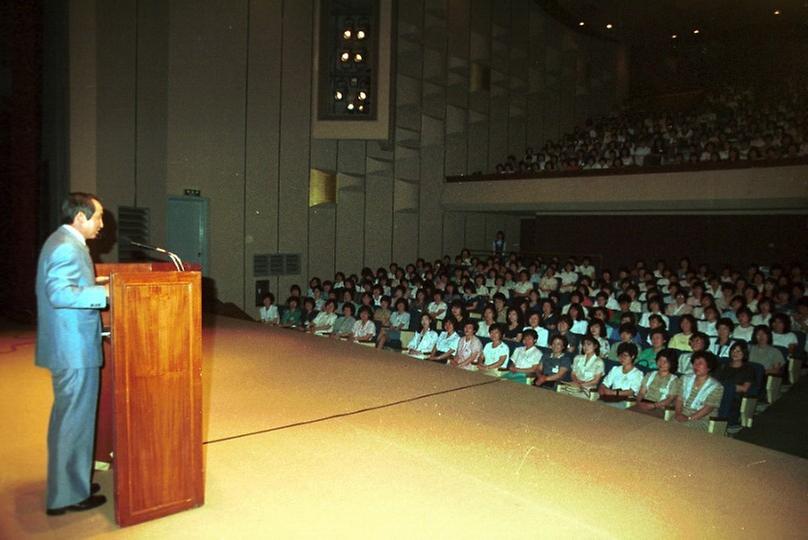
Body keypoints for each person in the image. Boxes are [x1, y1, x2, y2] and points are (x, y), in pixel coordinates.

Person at [35, 192, 108, 515]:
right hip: (73, 350)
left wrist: (98, 282)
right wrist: (104, 293)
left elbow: (70, 284)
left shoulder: (63, 241)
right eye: (98, 217)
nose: (102, 225)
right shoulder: (66, 246)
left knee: (71, 420)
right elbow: (60, 293)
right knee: (73, 422)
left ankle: (72, 482)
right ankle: (67, 495)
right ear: (80, 218)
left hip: (71, 346)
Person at [673, 351, 724, 431]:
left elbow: (708, 408)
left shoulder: (716, 386)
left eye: (700, 363)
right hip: (682, 414)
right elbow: (679, 399)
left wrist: (689, 418)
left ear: (709, 367)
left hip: (702, 419)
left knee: (680, 426)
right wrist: (678, 414)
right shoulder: (685, 379)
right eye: (694, 363)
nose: (696, 366)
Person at [634, 350, 678, 416]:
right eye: (660, 360)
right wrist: (639, 402)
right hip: (644, 403)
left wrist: (654, 405)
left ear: (671, 364)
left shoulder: (674, 380)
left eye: (665, 362)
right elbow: (641, 392)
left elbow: (669, 399)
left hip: (659, 407)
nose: (661, 364)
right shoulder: (650, 374)